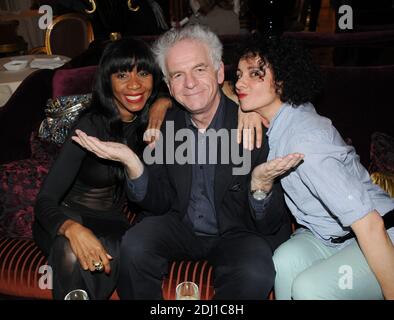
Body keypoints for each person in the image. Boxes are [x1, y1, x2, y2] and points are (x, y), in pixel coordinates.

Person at [72, 24, 302, 299]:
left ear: (219, 73)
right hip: (180, 225)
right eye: (178, 75)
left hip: (238, 232)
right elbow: (157, 202)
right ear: (169, 86)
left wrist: (261, 188)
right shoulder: (164, 127)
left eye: (199, 69)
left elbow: (270, 223)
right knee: (134, 246)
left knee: (255, 270)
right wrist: (133, 165)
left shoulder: (254, 123)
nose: (189, 83)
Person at [234, 34, 394, 299]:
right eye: (239, 74)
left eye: (255, 74)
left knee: (309, 288)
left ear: (283, 81)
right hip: (331, 237)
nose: (240, 82)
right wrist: (243, 105)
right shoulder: (287, 114)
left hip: (382, 236)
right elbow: (211, 91)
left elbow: (370, 225)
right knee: (283, 261)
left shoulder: (305, 141)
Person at [33, 37, 172, 299]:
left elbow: (201, 95)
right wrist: (72, 228)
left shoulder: (153, 124)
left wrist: (165, 102)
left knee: (131, 250)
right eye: (122, 75)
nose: (134, 84)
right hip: (64, 216)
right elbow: (45, 200)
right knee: (70, 251)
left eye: (143, 73)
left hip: (110, 221)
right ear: (108, 82)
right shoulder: (91, 125)